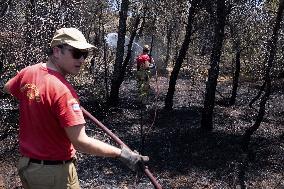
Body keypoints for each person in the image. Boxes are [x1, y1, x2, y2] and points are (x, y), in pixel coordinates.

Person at [3, 28, 149, 189]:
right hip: (54, 175)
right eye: (76, 53)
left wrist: (38, 99)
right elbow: (80, 142)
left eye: (84, 54)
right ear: (57, 51)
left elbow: (8, 88)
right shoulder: (63, 91)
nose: (82, 59)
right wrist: (122, 154)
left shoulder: (28, 73)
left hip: (27, 168)